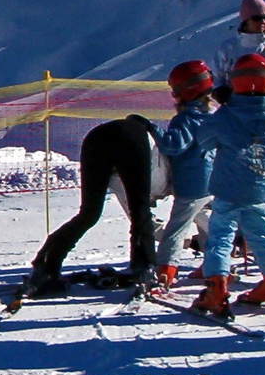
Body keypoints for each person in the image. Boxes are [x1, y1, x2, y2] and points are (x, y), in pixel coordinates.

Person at [191, 53, 265, 315]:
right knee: (262, 236)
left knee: (220, 238)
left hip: (227, 189)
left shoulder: (227, 116)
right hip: (258, 189)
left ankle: (216, 288)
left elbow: (204, 140)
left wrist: (223, 106)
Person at [23, 115, 165, 296]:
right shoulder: (144, 135)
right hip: (131, 141)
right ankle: (144, 268)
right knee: (140, 209)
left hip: (95, 138)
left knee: (89, 213)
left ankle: (46, 267)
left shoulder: (131, 129)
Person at [150, 61, 217, 291]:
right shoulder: (213, 114)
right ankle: (216, 266)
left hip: (191, 185)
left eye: (175, 90)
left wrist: (153, 130)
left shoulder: (185, 119)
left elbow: (173, 146)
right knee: (208, 225)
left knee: (176, 229)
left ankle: (165, 270)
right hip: (212, 181)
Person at [212, 0, 265, 105]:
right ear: (245, 20)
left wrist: (264, 86)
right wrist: (219, 92)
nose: (263, 22)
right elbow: (215, 79)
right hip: (234, 112)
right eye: (257, 18)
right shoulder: (227, 49)